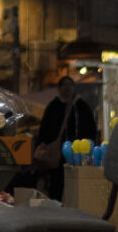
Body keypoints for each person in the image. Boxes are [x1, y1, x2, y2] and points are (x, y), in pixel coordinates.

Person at [34, 74, 100, 202]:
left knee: (76, 180)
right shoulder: (54, 106)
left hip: (78, 153)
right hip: (57, 153)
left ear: (74, 88)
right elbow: (45, 128)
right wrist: (42, 144)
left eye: (70, 85)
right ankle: (56, 204)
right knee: (57, 182)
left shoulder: (81, 106)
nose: (67, 88)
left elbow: (90, 127)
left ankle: (74, 203)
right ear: (59, 88)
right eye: (64, 85)